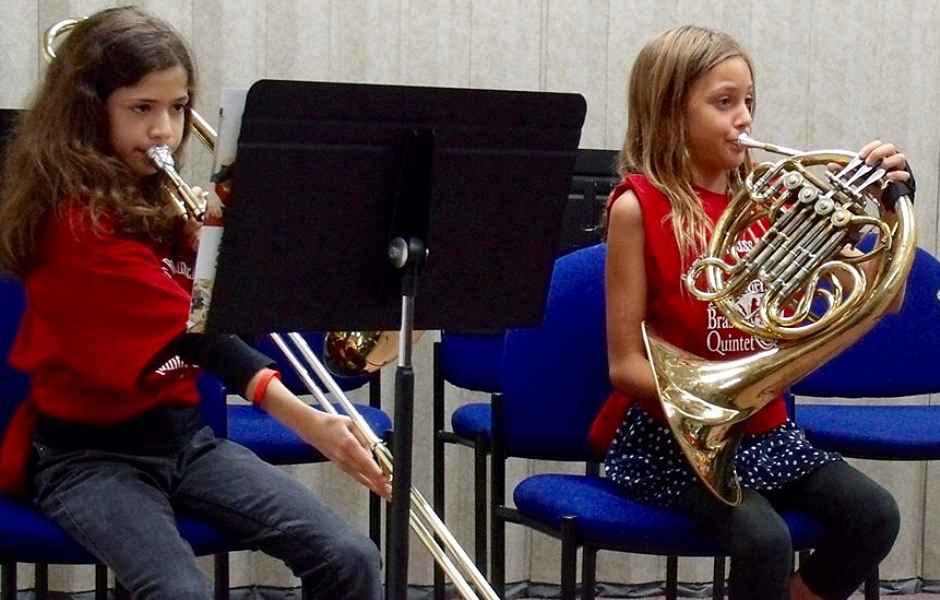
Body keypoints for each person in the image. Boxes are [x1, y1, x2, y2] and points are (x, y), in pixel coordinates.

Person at [0, 7, 389, 600]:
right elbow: (199, 337)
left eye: (177, 108)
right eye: (141, 109)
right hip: (86, 456)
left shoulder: (162, 203)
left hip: (186, 442)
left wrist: (230, 249)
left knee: (351, 557)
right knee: (180, 593)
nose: (164, 131)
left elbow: (243, 325)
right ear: (88, 114)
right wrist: (310, 422)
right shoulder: (72, 222)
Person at [590, 25, 913, 600]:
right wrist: (718, 403)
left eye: (748, 102)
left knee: (875, 516)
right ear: (669, 112)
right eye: (723, 103)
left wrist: (893, 207)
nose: (744, 119)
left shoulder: (774, 200)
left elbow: (885, 300)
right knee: (764, 541)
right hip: (671, 438)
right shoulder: (640, 207)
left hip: (767, 432)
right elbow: (623, 366)